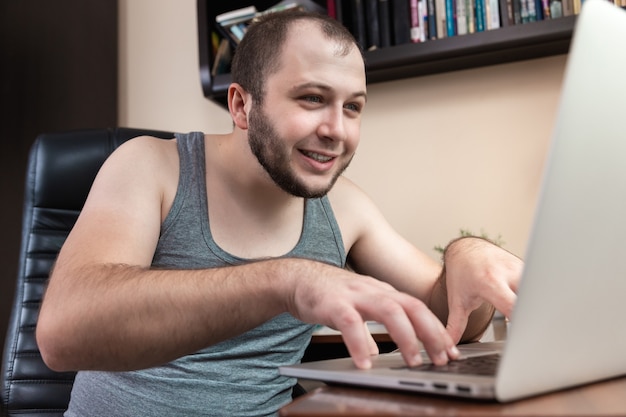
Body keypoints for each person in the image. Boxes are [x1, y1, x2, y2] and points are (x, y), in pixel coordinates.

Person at [36, 10, 522, 417]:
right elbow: (62, 333)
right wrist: (288, 282)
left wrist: (468, 255)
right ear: (242, 105)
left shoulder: (345, 206)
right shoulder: (150, 167)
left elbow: (457, 318)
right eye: (312, 98)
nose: (337, 130)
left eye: (353, 107)